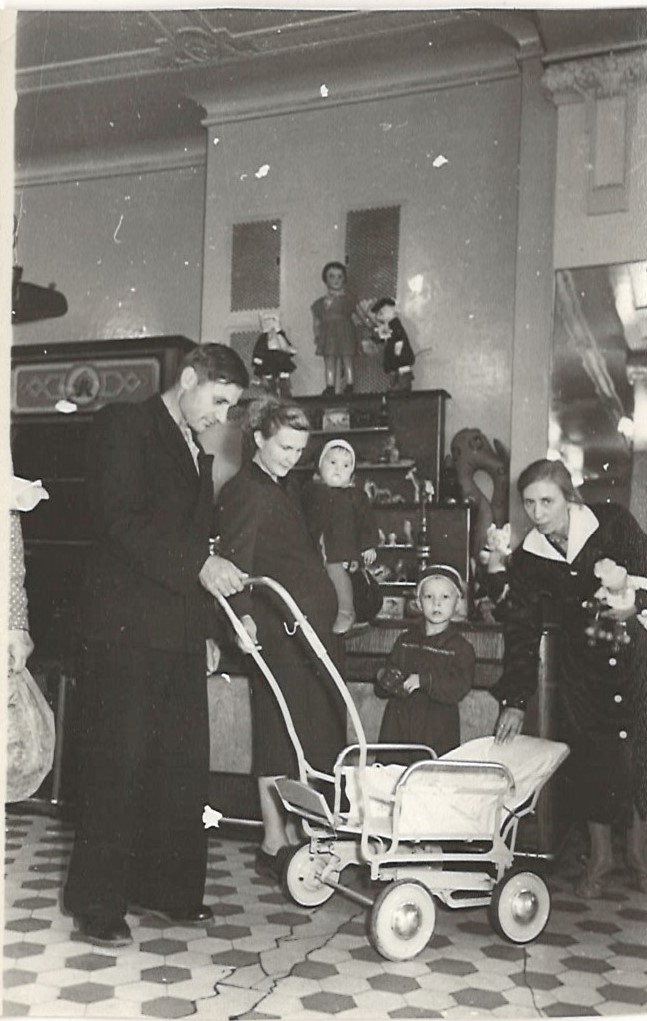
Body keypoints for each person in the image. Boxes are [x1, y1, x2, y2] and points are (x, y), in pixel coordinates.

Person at [62, 343, 249, 948]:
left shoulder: (195, 448)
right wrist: (199, 566)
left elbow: (194, 542)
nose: (221, 416)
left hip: (177, 632)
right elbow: (119, 520)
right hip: (123, 630)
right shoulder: (124, 424)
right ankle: (97, 905)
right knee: (115, 767)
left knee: (178, 766)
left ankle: (166, 890)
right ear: (188, 378)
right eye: (218, 400)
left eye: (230, 407)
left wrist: (207, 631)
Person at [492, 458, 647, 898]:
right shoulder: (528, 558)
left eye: (547, 501)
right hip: (583, 668)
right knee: (594, 758)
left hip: (636, 656)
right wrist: (516, 700)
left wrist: (636, 604)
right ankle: (600, 859)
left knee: (641, 753)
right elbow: (520, 630)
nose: (538, 512)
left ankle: (640, 859)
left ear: (569, 497)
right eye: (529, 503)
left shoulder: (611, 522)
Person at [216, 397, 346, 879]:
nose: (293, 457)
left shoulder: (282, 485)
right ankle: (274, 839)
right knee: (278, 731)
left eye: (299, 449)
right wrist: (242, 619)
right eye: (285, 447)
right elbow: (236, 561)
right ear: (259, 439)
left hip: (304, 631)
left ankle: (292, 834)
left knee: (303, 735)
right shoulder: (246, 489)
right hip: (277, 631)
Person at [376, 565, 475, 763]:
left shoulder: (461, 648)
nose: (436, 603)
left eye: (445, 597)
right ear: (419, 603)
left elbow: (459, 687)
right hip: (399, 727)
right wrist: (385, 678)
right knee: (393, 774)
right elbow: (386, 680)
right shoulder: (405, 640)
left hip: (436, 730)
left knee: (431, 775)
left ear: (457, 603)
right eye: (429, 597)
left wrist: (425, 681)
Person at [301, 439, 378, 635]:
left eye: (345, 466)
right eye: (332, 462)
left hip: (341, 549)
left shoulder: (356, 496)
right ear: (319, 466)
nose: (338, 469)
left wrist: (368, 545)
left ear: (352, 472)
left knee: (338, 576)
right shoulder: (310, 491)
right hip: (315, 547)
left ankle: (346, 611)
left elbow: (366, 522)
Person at [311, 261, 360, 397]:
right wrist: (317, 335)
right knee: (329, 359)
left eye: (339, 276)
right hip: (328, 335)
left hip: (345, 332)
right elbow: (316, 322)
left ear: (344, 279)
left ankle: (349, 384)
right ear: (325, 279)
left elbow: (360, 315)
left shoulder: (349, 299)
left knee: (347, 358)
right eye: (332, 276)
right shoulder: (319, 303)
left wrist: (371, 326)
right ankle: (330, 386)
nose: (336, 280)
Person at [371, 297, 415, 392]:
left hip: (400, 356)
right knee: (398, 370)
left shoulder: (395, 324)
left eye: (381, 313)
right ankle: (398, 383)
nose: (379, 316)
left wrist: (398, 349)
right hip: (396, 357)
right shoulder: (390, 324)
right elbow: (384, 336)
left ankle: (402, 384)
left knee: (402, 370)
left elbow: (399, 337)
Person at [251, 311, 297, 398]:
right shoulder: (263, 339)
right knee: (270, 386)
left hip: (281, 362)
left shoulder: (280, 336)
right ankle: (272, 397)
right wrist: (259, 361)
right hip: (268, 364)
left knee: (284, 384)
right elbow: (258, 352)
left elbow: (290, 350)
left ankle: (285, 397)